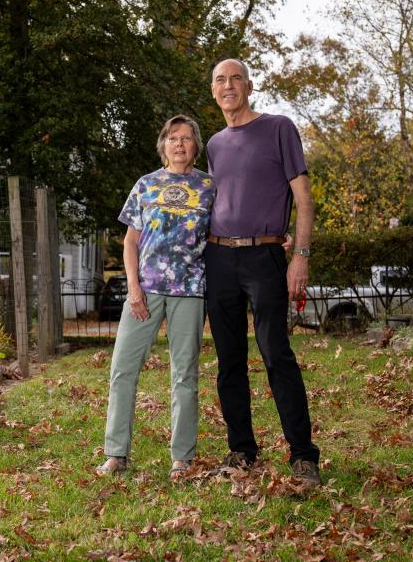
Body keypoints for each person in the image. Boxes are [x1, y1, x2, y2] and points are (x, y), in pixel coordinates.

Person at [205, 58, 322, 489]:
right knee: (228, 360)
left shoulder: (278, 128)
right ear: (213, 92)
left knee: (276, 354)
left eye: (236, 78)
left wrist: (301, 255)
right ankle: (242, 450)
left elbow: (304, 200)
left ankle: (304, 456)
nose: (229, 85)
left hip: (265, 257)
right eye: (220, 80)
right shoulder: (215, 144)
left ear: (249, 85)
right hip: (218, 259)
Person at [96, 115, 215, 480]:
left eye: (187, 138)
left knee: (184, 374)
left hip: (190, 291)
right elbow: (130, 241)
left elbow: (229, 230)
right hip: (145, 291)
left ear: (196, 146)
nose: (179, 144)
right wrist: (133, 287)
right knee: (122, 370)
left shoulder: (210, 186)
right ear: (163, 144)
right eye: (173, 138)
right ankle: (116, 454)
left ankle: (182, 458)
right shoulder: (146, 185)